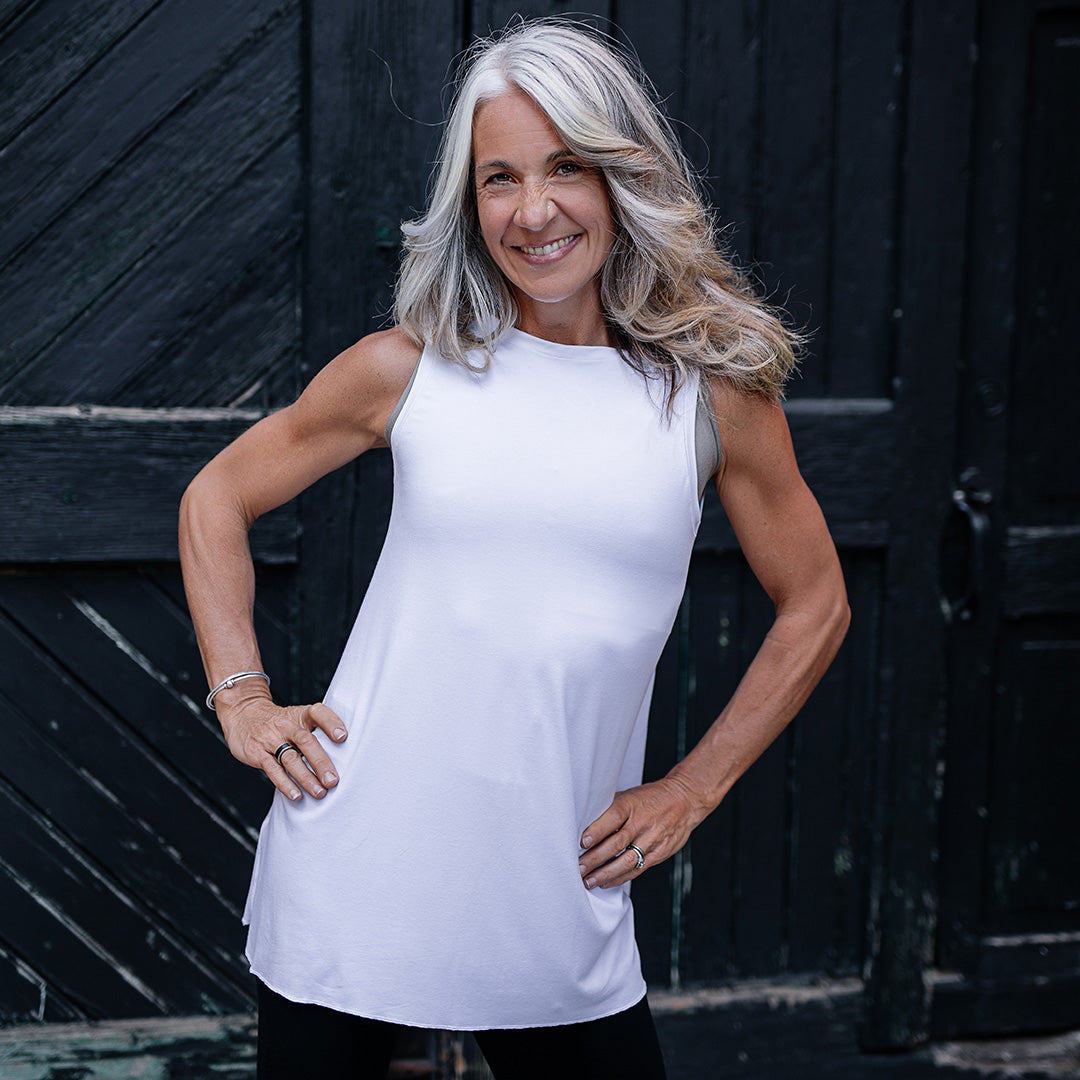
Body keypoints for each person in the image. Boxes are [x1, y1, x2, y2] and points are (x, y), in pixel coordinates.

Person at [179, 17, 849, 1080]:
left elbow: (817, 602)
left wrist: (692, 787)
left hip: (557, 894)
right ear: (471, 201)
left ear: (622, 177)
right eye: (501, 178)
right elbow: (216, 496)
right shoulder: (409, 368)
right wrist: (241, 696)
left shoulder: (711, 397)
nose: (534, 211)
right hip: (355, 873)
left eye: (566, 167)